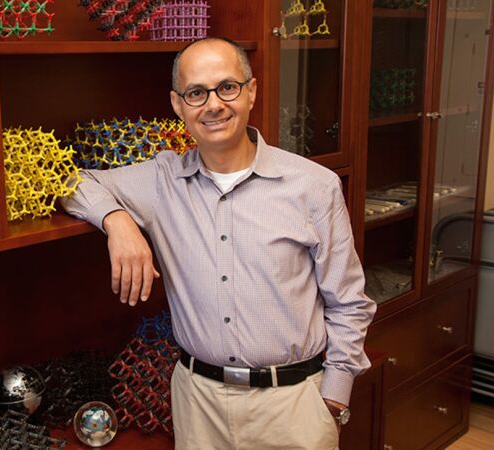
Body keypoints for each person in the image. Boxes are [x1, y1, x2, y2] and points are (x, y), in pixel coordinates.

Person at [61, 37, 377, 449]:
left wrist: (333, 399)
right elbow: (69, 181)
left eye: (227, 87)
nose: (213, 105)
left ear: (251, 91)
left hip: (293, 406)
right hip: (199, 406)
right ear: (178, 105)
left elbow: (349, 302)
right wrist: (117, 221)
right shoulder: (161, 182)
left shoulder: (313, 186)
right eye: (196, 93)